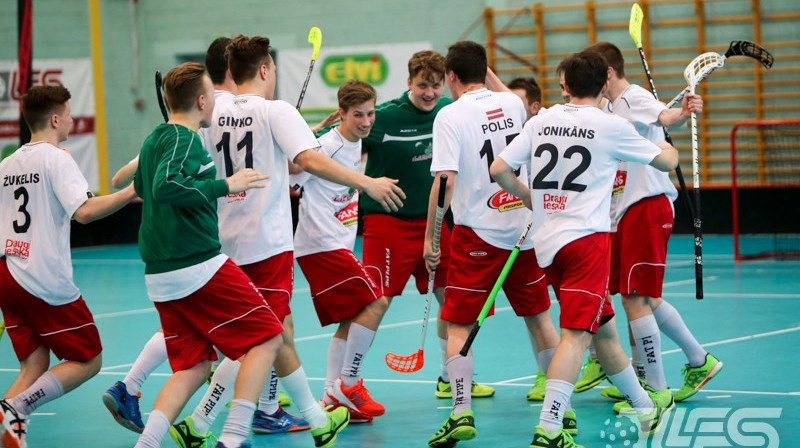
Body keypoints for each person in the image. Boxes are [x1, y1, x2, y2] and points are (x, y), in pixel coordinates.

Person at [170, 34, 405, 448]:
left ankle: (241, 420)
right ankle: (220, 424)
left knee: (270, 335)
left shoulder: (213, 107)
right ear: (264, 69)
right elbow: (310, 160)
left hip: (222, 245)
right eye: (273, 69)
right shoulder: (275, 110)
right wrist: (366, 181)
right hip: (268, 245)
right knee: (267, 337)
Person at [492, 51, 677, 447]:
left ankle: (645, 408)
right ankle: (550, 427)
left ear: (564, 85)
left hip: (546, 245)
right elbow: (664, 163)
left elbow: (498, 170)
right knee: (576, 336)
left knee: (604, 331)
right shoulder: (611, 125)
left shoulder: (541, 121)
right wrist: (667, 142)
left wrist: (530, 198)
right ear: (605, 84)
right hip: (587, 243)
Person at [130, 61, 285, 448]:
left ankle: (146, 444)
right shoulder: (185, 139)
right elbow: (165, 187)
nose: (217, 100)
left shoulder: (154, 139)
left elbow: (140, 184)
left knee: (195, 365)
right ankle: (233, 437)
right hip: (196, 263)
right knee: (268, 339)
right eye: (213, 94)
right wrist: (224, 184)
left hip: (160, 274)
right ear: (201, 100)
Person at [424, 41, 560, 448]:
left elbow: (445, 181)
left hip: (476, 235)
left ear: (450, 76)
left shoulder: (449, 115)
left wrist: (432, 239)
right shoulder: (515, 105)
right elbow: (499, 94)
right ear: (484, 71)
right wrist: (487, 73)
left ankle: (461, 410)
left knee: (460, 323)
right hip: (523, 229)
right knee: (539, 319)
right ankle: (560, 411)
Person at [584, 42, 722, 407]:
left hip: (646, 205)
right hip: (626, 211)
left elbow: (664, 117)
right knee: (645, 297)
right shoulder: (612, 106)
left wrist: (682, 111)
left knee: (634, 298)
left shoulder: (632, 97)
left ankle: (656, 389)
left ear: (608, 73)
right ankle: (698, 360)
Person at [0, 85, 137, 448]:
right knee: (89, 358)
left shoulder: (6, 164)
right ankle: (16, 406)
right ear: (56, 118)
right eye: (69, 112)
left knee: (34, 364)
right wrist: (131, 192)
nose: (73, 119)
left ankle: (8, 429)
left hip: (7, 273)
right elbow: (85, 212)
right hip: (42, 278)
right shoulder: (57, 159)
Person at [360, 50, 494, 400]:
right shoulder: (384, 117)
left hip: (436, 223)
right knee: (376, 301)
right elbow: (339, 136)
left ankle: (451, 377)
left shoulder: (450, 114)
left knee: (453, 300)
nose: (430, 93)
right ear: (409, 83)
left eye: (436, 85)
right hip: (388, 222)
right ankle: (345, 382)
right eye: (422, 86)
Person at [292, 80, 388, 424]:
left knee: (354, 316)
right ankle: (347, 385)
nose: (366, 121)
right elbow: (294, 173)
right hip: (320, 244)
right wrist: (302, 140)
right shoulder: (328, 145)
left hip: (338, 243)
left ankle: (332, 397)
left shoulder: (355, 143)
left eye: (370, 113)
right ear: (342, 114)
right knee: (377, 303)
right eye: (358, 115)